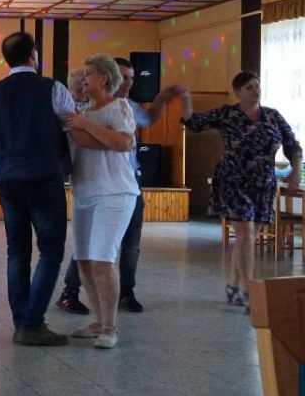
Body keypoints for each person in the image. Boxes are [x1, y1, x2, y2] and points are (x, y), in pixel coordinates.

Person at [0, 32, 74, 346]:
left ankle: (20, 321)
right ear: (34, 54)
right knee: (50, 251)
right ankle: (32, 323)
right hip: (45, 179)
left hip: (9, 181)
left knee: (17, 253)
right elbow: (74, 126)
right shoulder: (54, 88)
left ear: (6, 59)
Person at [57, 58, 184, 315]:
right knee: (89, 253)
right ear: (110, 77)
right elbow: (87, 141)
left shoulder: (124, 106)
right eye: (124, 77)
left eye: (132, 78)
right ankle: (74, 294)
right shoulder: (85, 109)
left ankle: (121, 301)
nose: (128, 83)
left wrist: (161, 100)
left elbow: (129, 138)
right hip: (90, 189)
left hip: (120, 185)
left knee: (121, 249)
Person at [180, 72, 301, 312]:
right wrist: (185, 98)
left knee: (249, 238)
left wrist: (295, 172)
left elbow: (292, 145)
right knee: (245, 233)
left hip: (263, 183)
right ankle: (248, 290)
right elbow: (194, 123)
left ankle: (233, 285)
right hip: (233, 179)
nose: (256, 90)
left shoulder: (273, 116)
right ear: (238, 92)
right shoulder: (227, 113)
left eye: (257, 86)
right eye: (249, 87)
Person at [63, 55, 139, 349]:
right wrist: (77, 122)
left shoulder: (117, 107)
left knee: (102, 259)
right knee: (84, 260)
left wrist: (84, 124)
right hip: (84, 193)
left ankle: (110, 327)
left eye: (90, 73)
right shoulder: (82, 111)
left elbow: (123, 143)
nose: (84, 78)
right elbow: (85, 143)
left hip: (114, 193)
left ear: (104, 78)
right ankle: (97, 320)